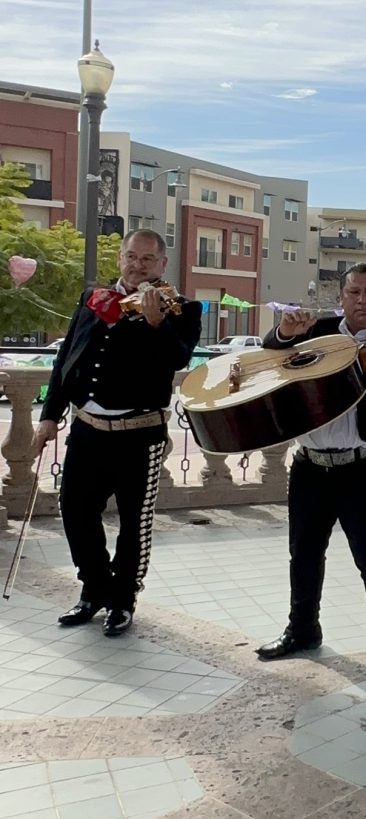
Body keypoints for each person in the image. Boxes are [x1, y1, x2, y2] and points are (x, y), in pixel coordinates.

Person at [32, 229, 202, 636]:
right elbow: (66, 358)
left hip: (138, 434)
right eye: (130, 256)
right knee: (73, 509)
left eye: (146, 259)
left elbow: (176, 360)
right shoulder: (95, 299)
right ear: (121, 259)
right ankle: (94, 590)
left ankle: (122, 601)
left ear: (162, 264)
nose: (136, 265)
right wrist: (49, 415)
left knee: (134, 523)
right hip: (88, 429)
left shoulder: (183, 309)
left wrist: (155, 323)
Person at [254, 264, 366, 679]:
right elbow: (270, 350)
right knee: (304, 555)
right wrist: (287, 332)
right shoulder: (318, 330)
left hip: (363, 468)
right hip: (310, 466)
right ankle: (302, 629)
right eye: (354, 293)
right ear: (342, 297)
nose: (363, 301)